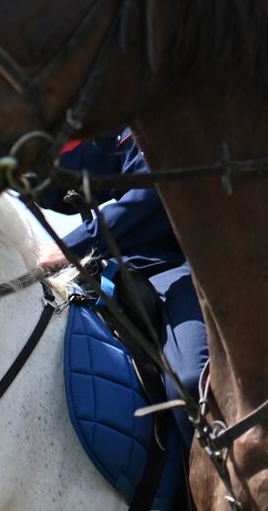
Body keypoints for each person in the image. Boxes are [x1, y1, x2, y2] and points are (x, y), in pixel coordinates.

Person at [39, 130, 208, 448]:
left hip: (190, 267)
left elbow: (156, 190)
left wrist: (71, 246)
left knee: (189, 384)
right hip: (124, 269)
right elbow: (73, 175)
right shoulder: (116, 122)